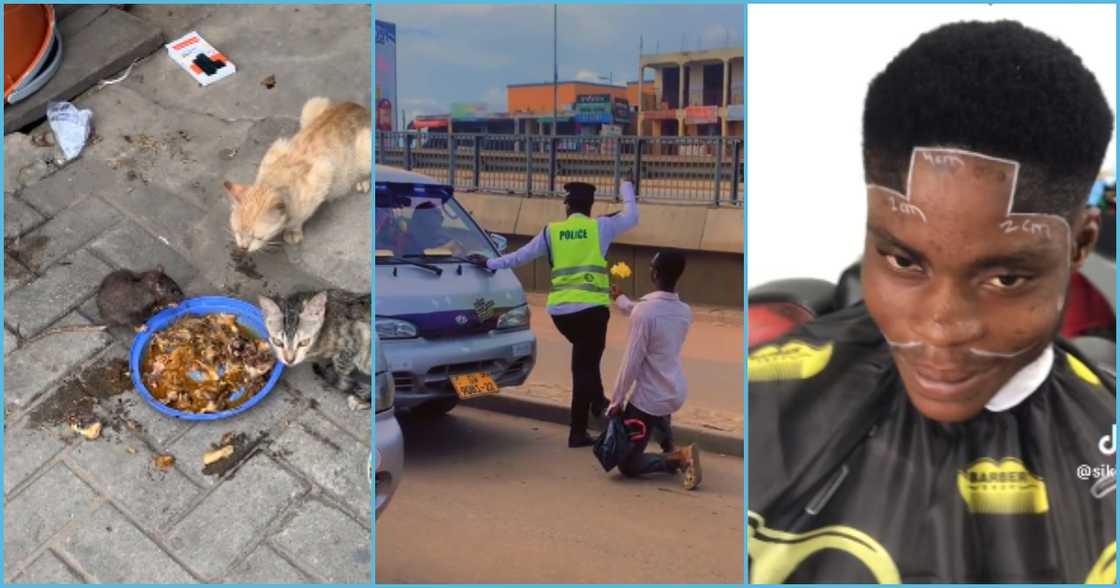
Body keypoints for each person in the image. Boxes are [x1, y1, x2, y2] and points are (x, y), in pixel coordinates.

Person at [748, 21, 1116, 583]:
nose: (941, 330)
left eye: (1006, 280)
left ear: (1081, 246)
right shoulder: (763, 399)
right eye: (903, 261)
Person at [478, 181, 639, 447]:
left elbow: (519, 257)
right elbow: (632, 216)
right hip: (592, 311)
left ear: (567, 206)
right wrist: (626, 188)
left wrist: (488, 263)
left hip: (562, 314)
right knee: (584, 368)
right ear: (590, 206)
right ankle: (578, 430)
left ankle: (598, 402)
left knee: (586, 361)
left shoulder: (551, 232)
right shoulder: (600, 226)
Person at [607, 250, 701, 489]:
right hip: (674, 390)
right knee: (659, 410)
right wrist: (622, 300)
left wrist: (617, 399)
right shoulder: (684, 312)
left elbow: (631, 361)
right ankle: (669, 446)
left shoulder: (645, 312)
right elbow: (649, 313)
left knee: (627, 464)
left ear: (655, 273)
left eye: (651, 266)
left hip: (648, 398)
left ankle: (679, 459)